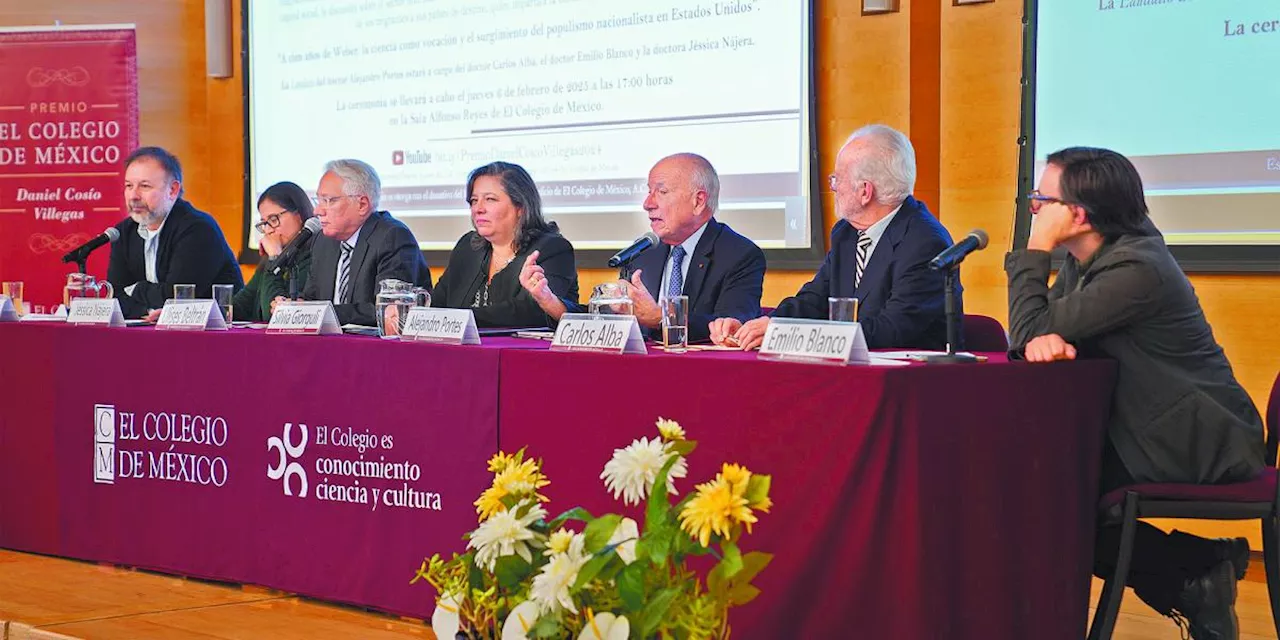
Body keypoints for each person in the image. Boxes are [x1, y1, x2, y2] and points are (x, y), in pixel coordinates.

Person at [1007, 146, 1264, 639]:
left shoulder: (1136, 270)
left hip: (1201, 439)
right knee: (1031, 488)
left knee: (1046, 496)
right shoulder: (1095, 261)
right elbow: (1034, 334)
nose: (1034, 208)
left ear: (1077, 214)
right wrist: (1044, 335)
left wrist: (1035, 250)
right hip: (1150, 429)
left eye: (1042, 199)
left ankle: (1195, 572)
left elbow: (1026, 328)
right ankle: (1196, 569)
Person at [709, 124, 960, 350]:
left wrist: (787, 333)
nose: (832, 186)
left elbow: (891, 329)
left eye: (837, 178)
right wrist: (763, 325)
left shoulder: (925, 242)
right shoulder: (846, 233)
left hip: (909, 383)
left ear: (865, 191)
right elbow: (815, 298)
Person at [553, 152, 763, 342]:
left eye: (661, 192)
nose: (647, 203)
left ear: (698, 201)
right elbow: (614, 321)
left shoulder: (740, 255)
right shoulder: (643, 253)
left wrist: (661, 318)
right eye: (649, 191)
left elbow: (733, 325)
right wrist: (552, 302)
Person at [432, 161, 579, 327]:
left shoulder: (552, 249)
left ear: (520, 207)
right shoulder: (467, 247)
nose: (478, 209)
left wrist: (458, 319)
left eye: (490, 199)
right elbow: (437, 304)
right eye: (474, 200)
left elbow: (530, 312)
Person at [107, 147, 243, 319]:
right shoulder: (123, 232)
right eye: (128, 186)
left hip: (213, 335)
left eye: (145, 186)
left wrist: (137, 288)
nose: (133, 195)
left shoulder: (198, 229)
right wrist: (146, 311)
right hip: (150, 331)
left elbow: (179, 297)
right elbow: (115, 296)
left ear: (172, 190)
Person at [295, 159, 432, 326]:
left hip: (376, 349)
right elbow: (312, 299)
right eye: (318, 201)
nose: (317, 211)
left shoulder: (392, 237)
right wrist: (296, 307)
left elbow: (388, 311)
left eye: (329, 201)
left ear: (362, 204)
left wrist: (324, 312)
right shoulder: (323, 242)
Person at [231, 182, 315, 322]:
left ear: (299, 215)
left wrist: (274, 259)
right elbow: (242, 305)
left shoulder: (314, 255)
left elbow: (276, 316)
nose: (268, 230)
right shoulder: (273, 257)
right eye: (264, 223)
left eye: (273, 219)